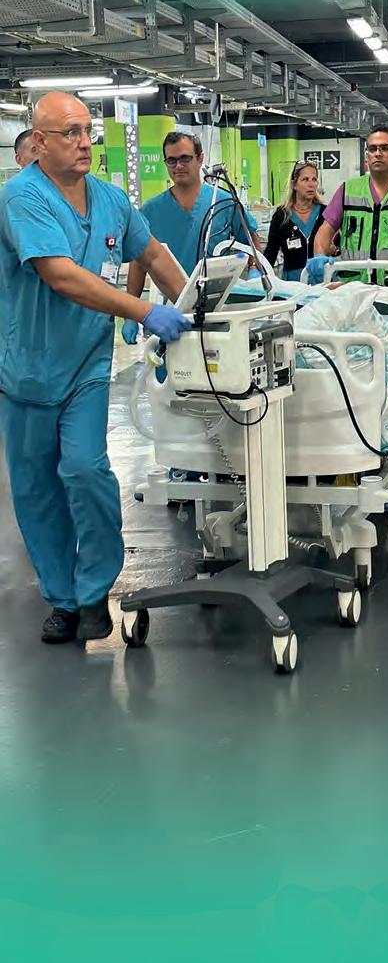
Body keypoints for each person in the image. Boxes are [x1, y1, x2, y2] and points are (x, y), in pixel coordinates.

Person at [0, 93, 190, 644]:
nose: (85, 143)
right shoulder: (21, 197)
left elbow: (152, 254)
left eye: (88, 131)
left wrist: (196, 308)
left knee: (86, 469)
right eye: (71, 133)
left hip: (85, 364)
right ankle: (62, 599)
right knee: (37, 491)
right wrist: (143, 311)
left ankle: (93, 591)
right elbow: (60, 274)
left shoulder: (109, 199)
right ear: (40, 142)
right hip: (27, 371)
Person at [121, 132, 262, 343]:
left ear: (200, 158)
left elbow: (250, 241)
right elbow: (138, 262)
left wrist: (254, 271)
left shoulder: (223, 202)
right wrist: (131, 314)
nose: (178, 166)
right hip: (175, 310)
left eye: (185, 158)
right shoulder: (151, 211)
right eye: (171, 160)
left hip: (220, 305)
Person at [306, 123, 388, 285]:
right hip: (352, 289)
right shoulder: (348, 190)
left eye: (385, 148)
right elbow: (325, 230)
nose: (377, 153)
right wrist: (320, 256)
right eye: (372, 149)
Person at [264, 160, 326, 281]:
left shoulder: (325, 213)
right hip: (293, 283)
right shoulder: (282, 216)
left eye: (314, 179)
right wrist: (259, 275)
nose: (311, 184)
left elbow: (337, 248)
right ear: (294, 184)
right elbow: (270, 253)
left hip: (322, 281)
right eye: (305, 179)